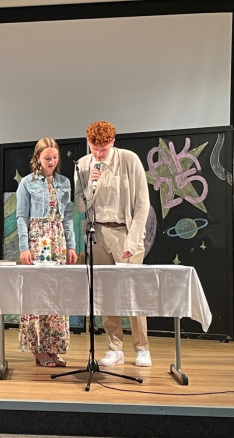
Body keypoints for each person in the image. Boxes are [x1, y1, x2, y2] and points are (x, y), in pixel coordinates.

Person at [74, 121, 151, 367]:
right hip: (97, 233)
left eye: (103, 149)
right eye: (94, 148)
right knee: (106, 292)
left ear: (112, 143)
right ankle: (114, 348)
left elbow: (143, 204)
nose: (98, 154)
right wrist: (91, 184)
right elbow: (80, 205)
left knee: (133, 291)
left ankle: (142, 348)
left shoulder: (129, 160)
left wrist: (133, 240)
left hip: (124, 231)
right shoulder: (82, 165)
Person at [15, 137, 78, 367]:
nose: (51, 162)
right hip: (37, 239)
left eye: (55, 158)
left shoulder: (64, 182)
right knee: (37, 292)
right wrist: (24, 247)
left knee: (56, 293)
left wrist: (71, 245)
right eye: (47, 158)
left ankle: (54, 347)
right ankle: (38, 349)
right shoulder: (27, 183)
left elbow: (68, 217)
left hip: (57, 240)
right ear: (38, 158)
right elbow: (21, 217)